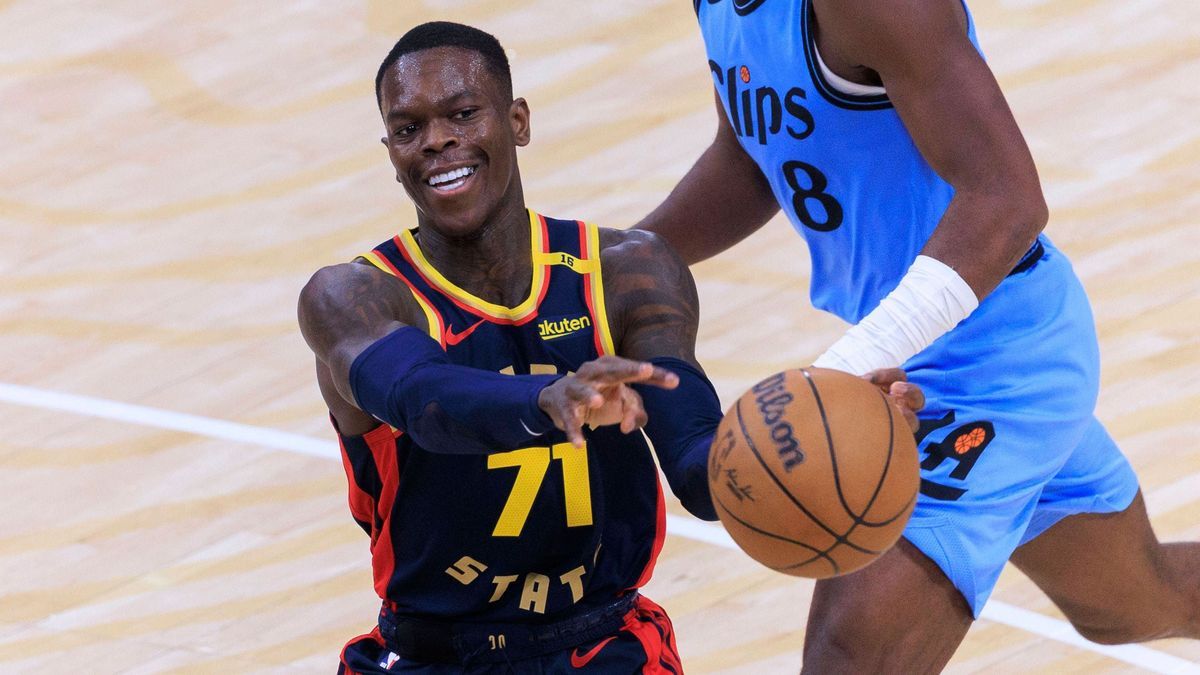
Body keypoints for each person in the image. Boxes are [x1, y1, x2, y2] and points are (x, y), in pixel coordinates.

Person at [299, 21, 923, 674]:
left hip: (603, 647)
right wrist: (548, 400)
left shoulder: (627, 271)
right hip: (435, 652)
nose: (437, 141)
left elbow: (698, 468)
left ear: (517, 121)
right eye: (408, 129)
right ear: (391, 150)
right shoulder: (353, 296)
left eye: (461, 113)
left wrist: (838, 435)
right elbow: (421, 398)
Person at [637, 0, 1200, 671]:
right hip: (912, 353)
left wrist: (846, 367)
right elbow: (750, 155)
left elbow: (1008, 200)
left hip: (997, 357)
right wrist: (621, 258)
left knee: (847, 657)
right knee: (1133, 603)